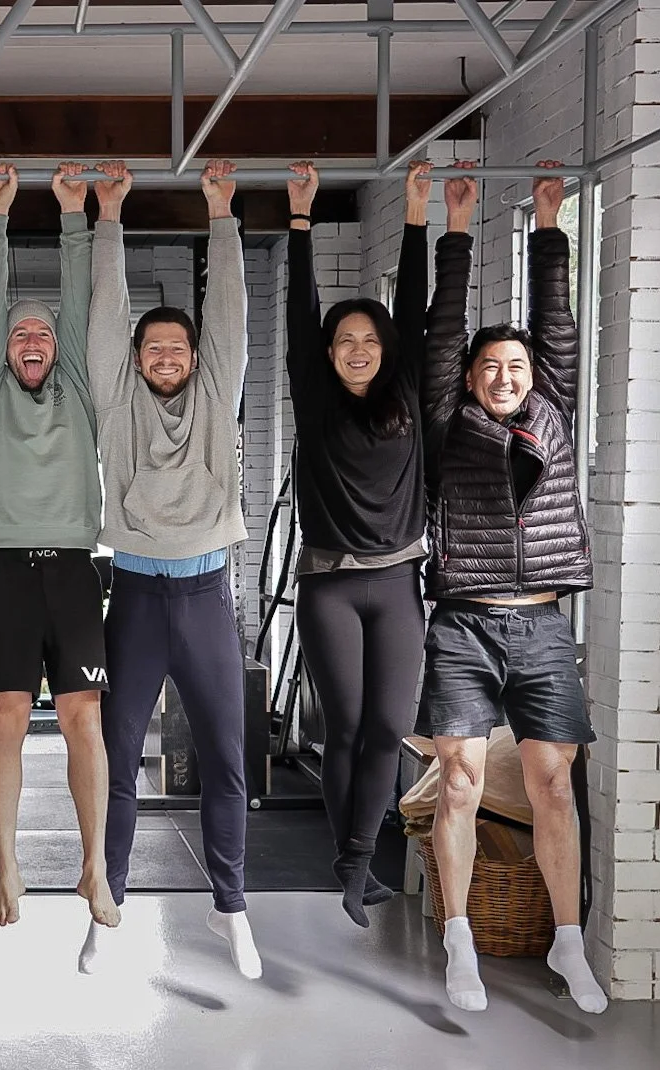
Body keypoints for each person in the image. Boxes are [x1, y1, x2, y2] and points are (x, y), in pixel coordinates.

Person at [422, 160, 605, 1015]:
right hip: (462, 623)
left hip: (543, 627)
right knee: (459, 780)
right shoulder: (449, 420)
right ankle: (460, 936)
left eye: (516, 367)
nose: (505, 375)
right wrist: (455, 229)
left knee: (553, 784)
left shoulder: (554, 410)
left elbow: (557, 329)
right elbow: (438, 335)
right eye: (490, 366)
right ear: (470, 378)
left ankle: (569, 942)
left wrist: (549, 226)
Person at [79, 160, 259, 978]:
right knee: (116, 757)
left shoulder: (217, 394)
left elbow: (231, 321)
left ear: (192, 356)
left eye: (176, 347)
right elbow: (105, 317)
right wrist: (107, 218)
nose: (165, 356)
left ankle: (231, 905)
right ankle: (103, 901)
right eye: (153, 347)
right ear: (139, 358)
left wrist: (221, 214)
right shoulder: (119, 401)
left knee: (225, 755)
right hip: (139, 596)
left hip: (207, 595)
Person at [0, 162, 119, 932]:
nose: (31, 338)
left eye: (43, 332)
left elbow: (85, 308)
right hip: (1, 571)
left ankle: (93, 867)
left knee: (85, 715)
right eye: (22, 332)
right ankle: (6, 866)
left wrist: (73, 217)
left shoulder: (81, 391)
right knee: (7, 716)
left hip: (71, 568)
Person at [285, 160, 431, 927]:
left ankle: (358, 856)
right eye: (344, 339)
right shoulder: (314, 401)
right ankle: (352, 860)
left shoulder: (404, 394)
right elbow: (298, 312)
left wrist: (418, 216)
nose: (357, 347)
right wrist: (301, 221)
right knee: (343, 727)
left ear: (385, 347)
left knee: (387, 728)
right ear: (329, 351)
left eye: (369, 338)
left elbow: (412, 305)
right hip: (331, 584)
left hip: (398, 582)